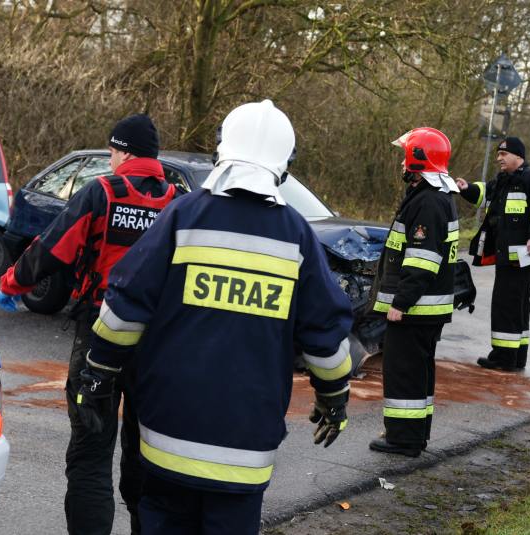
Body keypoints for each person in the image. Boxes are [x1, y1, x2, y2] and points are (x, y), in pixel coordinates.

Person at [78, 100, 353, 534]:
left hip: (167, 438)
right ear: (284, 164)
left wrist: (98, 373)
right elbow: (324, 333)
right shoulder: (296, 235)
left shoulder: (183, 217)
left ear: (222, 150)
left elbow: (126, 306)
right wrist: (334, 395)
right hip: (244, 454)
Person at [0, 114, 176, 534]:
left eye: (112, 151)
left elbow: (52, 248)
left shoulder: (102, 193)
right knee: (146, 452)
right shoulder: (175, 201)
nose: (111, 159)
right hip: (156, 344)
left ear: (124, 151)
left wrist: (13, 283)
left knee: (91, 455)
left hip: (101, 335)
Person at [368, 127, 459, 458]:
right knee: (417, 372)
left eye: (405, 156)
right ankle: (412, 434)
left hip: (415, 308)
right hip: (424, 309)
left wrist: (400, 302)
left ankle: (403, 440)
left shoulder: (429, 202)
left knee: (404, 373)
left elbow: (422, 260)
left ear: (417, 159)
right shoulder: (434, 197)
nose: (401, 163)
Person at [455, 136, 530, 371]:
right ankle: (517, 356)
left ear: (518, 156)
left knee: (506, 304)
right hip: (508, 255)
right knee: (517, 304)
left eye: (503, 154)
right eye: (498, 154)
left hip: (523, 255)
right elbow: (483, 194)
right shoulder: (503, 181)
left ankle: (503, 358)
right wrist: (466, 188)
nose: (499, 158)